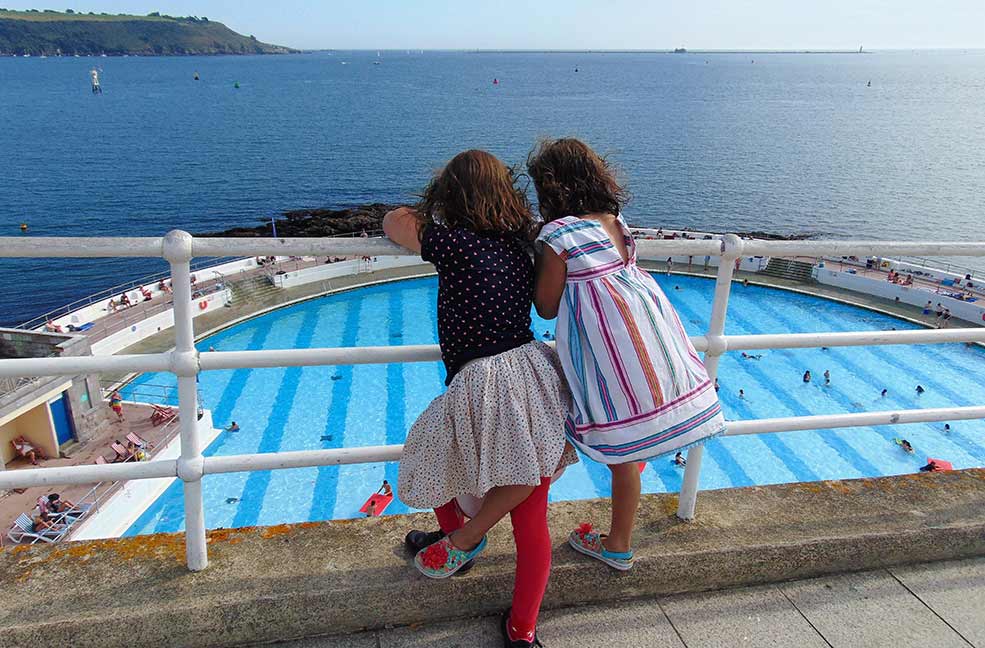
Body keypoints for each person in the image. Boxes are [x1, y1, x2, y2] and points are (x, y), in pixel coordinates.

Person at [384, 150, 573, 647]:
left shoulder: (452, 241)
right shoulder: (519, 245)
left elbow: (394, 222)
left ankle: (460, 541)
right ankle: (522, 629)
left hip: (482, 377)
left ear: (452, 197)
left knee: (428, 451)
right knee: (531, 512)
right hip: (530, 370)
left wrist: (429, 209)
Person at [529, 138, 725, 576]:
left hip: (603, 350)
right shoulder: (614, 221)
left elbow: (545, 305)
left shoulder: (558, 235)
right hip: (641, 335)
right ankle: (617, 542)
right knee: (626, 451)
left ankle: (605, 542)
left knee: (606, 436)